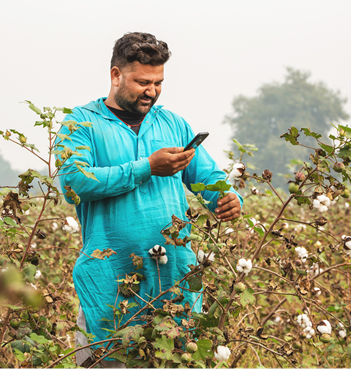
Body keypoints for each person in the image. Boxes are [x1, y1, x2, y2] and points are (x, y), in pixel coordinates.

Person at [57, 32, 243, 368]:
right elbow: (74, 183)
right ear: (116, 75)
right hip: (111, 281)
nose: (152, 91)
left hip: (173, 279)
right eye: (142, 81)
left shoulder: (172, 123)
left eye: (158, 82)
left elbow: (207, 177)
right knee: (107, 358)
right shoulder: (82, 124)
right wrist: (147, 168)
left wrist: (225, 198)